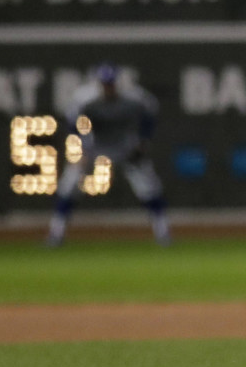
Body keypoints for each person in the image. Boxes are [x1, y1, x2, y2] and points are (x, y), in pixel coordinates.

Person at [46, 63, 171, 247]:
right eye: (105, 83)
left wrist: (143, 141)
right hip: (96, 143)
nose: (108, 87)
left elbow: (150, 113)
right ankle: (56, 233)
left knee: (148, 186)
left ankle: (163, 232)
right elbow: (72, 124)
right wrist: (80, 149)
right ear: (98, 83)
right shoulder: (85, 97)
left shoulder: (134, 96)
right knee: (70, 183)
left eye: (111, 83)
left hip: (124, 145)